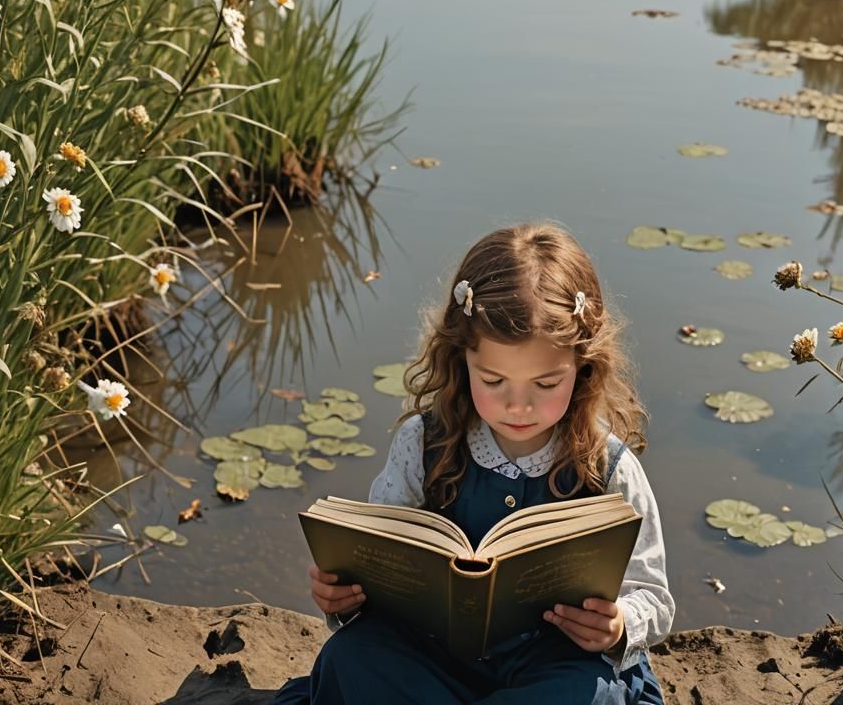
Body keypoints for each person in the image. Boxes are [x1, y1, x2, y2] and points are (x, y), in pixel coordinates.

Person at [275, 222, 673, 704]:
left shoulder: (607, 464)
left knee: (583, 694)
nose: (518, 405)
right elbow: (378, 557)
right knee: (349, 657)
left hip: (557, 660)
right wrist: (345, 598)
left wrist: (618, 625)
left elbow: (652, 595)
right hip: (433, 653)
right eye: (493, 379)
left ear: (583, 366)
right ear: (461, 359)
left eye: (546, 384)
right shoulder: (423, 443)